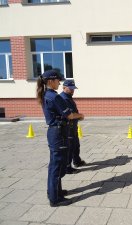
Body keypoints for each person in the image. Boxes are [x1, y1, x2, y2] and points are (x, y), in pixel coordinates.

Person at [36, 70, 84, 207]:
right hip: (59, 134)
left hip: (55, 133)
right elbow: (69, 115)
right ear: (50, 81)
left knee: (54, 165)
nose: (59, 83)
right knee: (57, 166)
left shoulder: (46, 94)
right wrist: (80, 115)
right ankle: (55, 198)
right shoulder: (54, 96)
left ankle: (55, 191)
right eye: (58, 80)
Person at [60, 80, 86, 174]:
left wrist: (78, 117)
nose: (72, 91)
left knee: (76, 145)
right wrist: (80, 115)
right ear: (64, 88)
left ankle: (77, 161)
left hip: (73, 126)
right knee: (70, 147)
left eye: (73, 89)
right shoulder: (63, 98)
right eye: (70, 89)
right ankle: (67, 167)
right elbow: (69, 114)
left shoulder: (68, 97)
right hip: (68, 127)